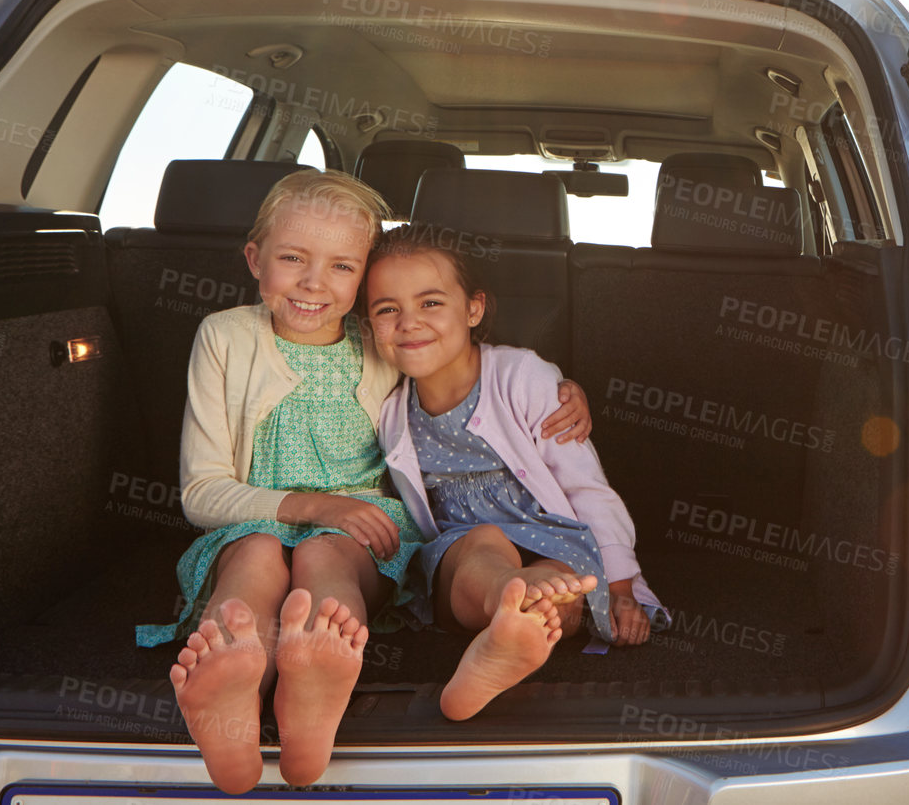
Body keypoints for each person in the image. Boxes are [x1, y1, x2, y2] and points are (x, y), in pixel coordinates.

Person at [135, 170, 593, 792]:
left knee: (328, 556)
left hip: (361, 528)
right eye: (292, 258)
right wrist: (315, 503)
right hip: (249, 520)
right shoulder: (224, 337)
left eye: (342, 267)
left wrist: (560, 390)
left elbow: (465, 364)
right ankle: (234, 682)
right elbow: (201, 494)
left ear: (364, 278)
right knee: (257, 559)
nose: (313, 283)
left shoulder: (380, 337)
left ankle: (311, 684)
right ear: (254, 258)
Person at [366, 223, 666, 721]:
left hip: (550, 535)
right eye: (387, 309)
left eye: (431, 303)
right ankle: (509, 606)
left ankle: (521, 626)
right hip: (463, 552)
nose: (409, 322)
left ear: (474, 309)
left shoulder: (522, 376)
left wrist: (620, 586)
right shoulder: (384, 401)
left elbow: (585, 487)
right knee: (484, 546)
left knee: (562, 585)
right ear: (368, 324)